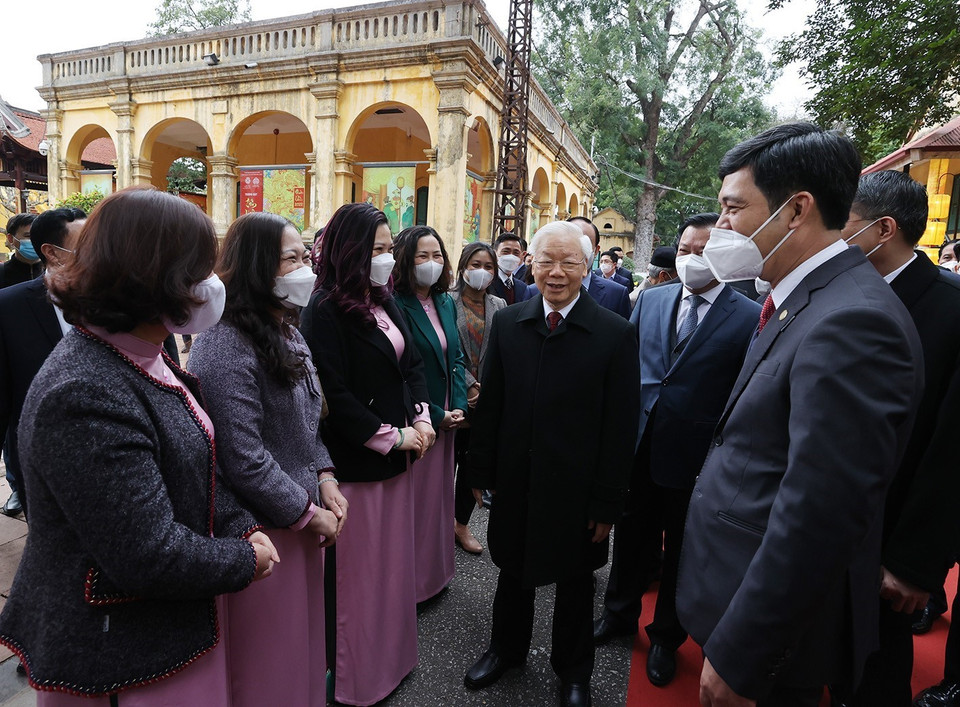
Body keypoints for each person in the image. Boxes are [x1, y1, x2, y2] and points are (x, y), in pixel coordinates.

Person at [0, 186, 278, 704]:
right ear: (156, 276)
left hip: (164, 632)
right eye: (200, 268)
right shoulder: (85, 390)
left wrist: (243, 526)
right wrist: (243, 560)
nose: (212, 284)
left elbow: (198, 459)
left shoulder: (141, 352)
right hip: (120, 653)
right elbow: (145, 552)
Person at [677, 123, 923, 707]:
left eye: (734, 209)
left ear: (796, 209)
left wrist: (745, 651)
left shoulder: (853, 321)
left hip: (771, 642)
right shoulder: (803, 299)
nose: (721, 229)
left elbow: (821, 509)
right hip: (735, 588)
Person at [463, 221, 640, 707]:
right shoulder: (510, 322)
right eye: (545, 261)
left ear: (588, 267)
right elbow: (492, 403)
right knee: (512, 571)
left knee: (575, 582)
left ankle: (574, 671)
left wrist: (608, 502)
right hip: (519, 478)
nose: (556, 273)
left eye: (569, 263)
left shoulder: (614, 333)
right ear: (529, 264)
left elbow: (621, 427)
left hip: (578, 488)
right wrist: (479, 470)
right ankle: (506, 650)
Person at [594, 212, 761, 690]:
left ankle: (667, 636)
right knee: (629, 538)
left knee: (682, 551)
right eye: (685, 249)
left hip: (697, 456)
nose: (691, 258)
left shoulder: (748, 314)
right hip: (640, 444)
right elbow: (630, 370)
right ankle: (618, 615)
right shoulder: (651, 299)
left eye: (703, 250)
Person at [187, 212, 346, 707]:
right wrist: (305, 512)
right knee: (268, 661)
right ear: (257, 266)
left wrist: (325, 473)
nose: (305, 270)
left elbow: (308, 421)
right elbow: (241, 456)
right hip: (264, 529)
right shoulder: (224, 342)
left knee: (301, 647)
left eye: (306, 257)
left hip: (301, 515)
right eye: (291, 259)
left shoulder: (289, 331)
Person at [833, 170, 960, 706]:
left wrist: (915, 565)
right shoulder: (837, 292)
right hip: (824, 517)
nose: (832, 234)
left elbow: (952, 453)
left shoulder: (951, 310)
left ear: (882, 230)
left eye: (843, 223)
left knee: (874, 666)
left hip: (890, 538)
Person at [300, 202, 434, 706]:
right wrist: (390, 436)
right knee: (360, 585)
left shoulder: (383, 297)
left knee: (391, 575)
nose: (387, 260)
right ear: (351, 250)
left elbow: (412, 363)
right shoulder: (325, 310)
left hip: (400, 455)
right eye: (377, 249)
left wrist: (420, 417)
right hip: (359, 465)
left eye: (388, 248)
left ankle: (393, 661)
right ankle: (358, 680)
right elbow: (333, 395)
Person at [392, 225, 468, 601]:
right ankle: (413, 585)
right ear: (405, 259)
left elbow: (454, 355)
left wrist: (461, 405)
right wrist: (436, 413)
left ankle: (437, 575)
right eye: (422, 256)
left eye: (437, 255)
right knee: (416, 507)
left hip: (450, 419)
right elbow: (404, 370)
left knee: (440, 501)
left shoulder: (445, 301)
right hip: (418, 422)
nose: (431, 263)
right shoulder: (395, 303)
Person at [0, 207, 85, 519]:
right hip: (42, 462)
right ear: (53, 253)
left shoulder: (121, 300)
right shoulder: (8, 309)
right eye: (86, 246)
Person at [451, 242, 507, 554]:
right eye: (475, 264)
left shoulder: (499, 305)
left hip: (488, 400)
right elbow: (448, 351)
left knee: (473, 465)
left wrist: (488, 387)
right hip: (455, 396)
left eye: (488, 266)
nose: (481, 272)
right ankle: (432, 523)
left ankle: (460, 524)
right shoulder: (446, 301)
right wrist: (469, 384)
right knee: (443, 466)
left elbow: (503, 351)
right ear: (462, 267)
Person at [565, 216, 632, 317]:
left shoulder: (617, 294)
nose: (575, 251)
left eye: (584, 245)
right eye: (569, 243)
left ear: (596, 250)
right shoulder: (536, 291)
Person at [489, 233, 533, 304]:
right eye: (506, 252)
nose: (511, 256)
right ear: (495, 253)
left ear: (522, 256)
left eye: (516, 253)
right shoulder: (487, 283)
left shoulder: (523, 287)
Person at [0, 214, 42, 288]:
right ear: (11, 239)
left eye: (39, 236)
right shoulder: (2, 273)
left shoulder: (57, 273)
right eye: (28, 236)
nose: (35, 240)